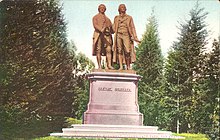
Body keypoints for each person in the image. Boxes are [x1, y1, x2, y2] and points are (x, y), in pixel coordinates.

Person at [112, 4, 140, 70]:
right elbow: (113, 27)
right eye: (121, 7)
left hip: (126, 35)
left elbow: (133, 27)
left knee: (127, 51)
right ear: (119, 9)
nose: (123, 8)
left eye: (124, 7)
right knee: (119, 50)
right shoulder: (116, 18)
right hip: (118, 35)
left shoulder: (129, 17)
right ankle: (121, 66)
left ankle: (128, 66)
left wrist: (135, 37)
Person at [92, 4, 114, 69]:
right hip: (98, 34)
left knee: (109, 49)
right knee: (98, 50)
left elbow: (112, 29)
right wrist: (101, 30)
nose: (102, 9)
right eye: (101, 8)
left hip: (107, 36)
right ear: (98, 9)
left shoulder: (108, 19)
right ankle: (99, 66)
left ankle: (109, 65)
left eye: (103, 8)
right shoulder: (95, 17)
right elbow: (95, 25)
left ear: (105, 9)